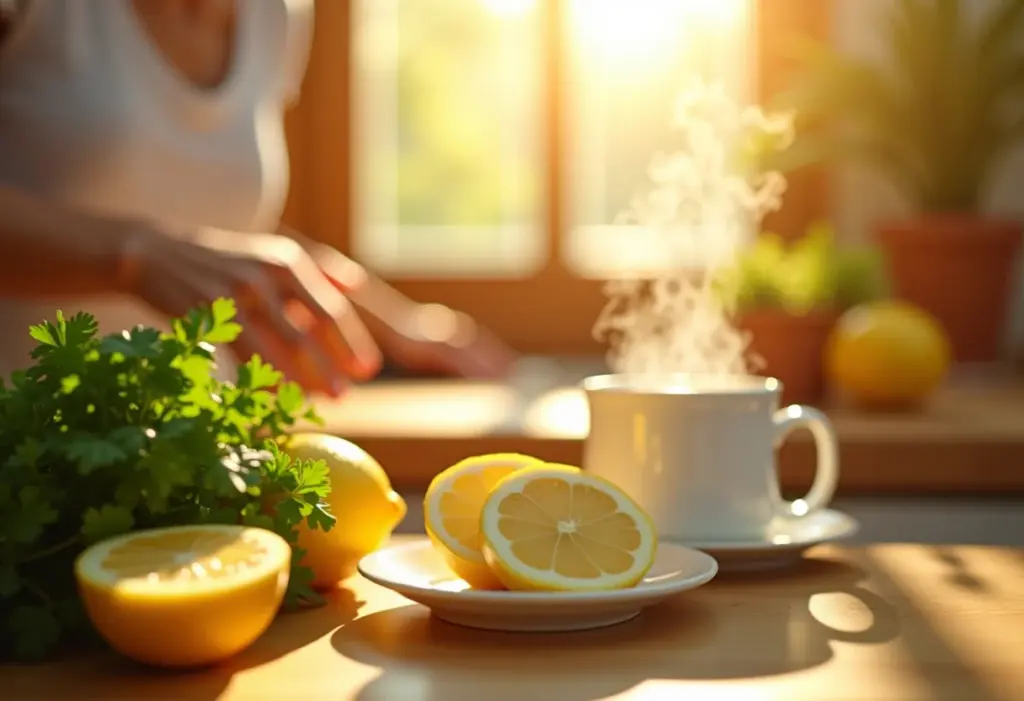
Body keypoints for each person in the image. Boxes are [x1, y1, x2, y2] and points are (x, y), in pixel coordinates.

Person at [0, 0, 516, 396]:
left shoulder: (278, 14)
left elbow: (224, 224)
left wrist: (398, 323)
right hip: (28, 444)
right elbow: (170, 248)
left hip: (196, 446)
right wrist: (134, 254)